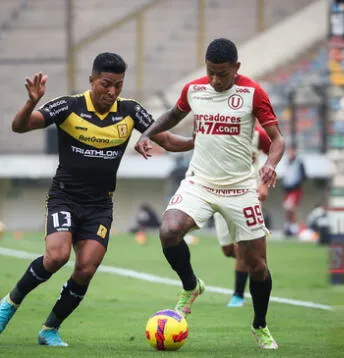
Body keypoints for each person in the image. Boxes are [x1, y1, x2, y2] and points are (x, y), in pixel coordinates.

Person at [0, 53, 193, 346]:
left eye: (118, 85)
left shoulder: (130, 111)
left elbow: (166, 140)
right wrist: (31, 102)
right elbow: (19, 127)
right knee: (57, 256)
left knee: (86, 267)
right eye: (105, 84)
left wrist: (198, 140)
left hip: (100, 205)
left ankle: (50, 328)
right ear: (92, 80)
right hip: (65, 197)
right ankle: (8, 305)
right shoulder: (69, 106)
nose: (112, 92)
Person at [134, 38, 285, 349]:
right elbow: (173, 116)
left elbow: (277, 140)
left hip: (241, 187)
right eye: (211, 72)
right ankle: (191, 286)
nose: (215, 80)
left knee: (256, 264)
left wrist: (270, 165)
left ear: (236, 69)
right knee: (169, 230)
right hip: (199, 182)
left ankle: (259, 325)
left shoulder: (252, 93)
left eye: (222, 74)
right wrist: (147, 134)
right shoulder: (194, 89)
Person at [217, 124, 271, 308]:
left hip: (247, 195)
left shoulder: (258, 134)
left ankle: (238, 295)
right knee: (228, 250)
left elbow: (273, 155)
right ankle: (255, 257)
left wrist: (263, 182)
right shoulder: (218, 127)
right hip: (219, 193)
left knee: (241, 247)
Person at [282, 147, 307, 237]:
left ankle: (295, 227)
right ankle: (289, 226)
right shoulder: (287, 162)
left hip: (295, 189)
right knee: (287, 208)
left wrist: (296, 184)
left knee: (290, 207)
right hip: (288, 190)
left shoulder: (299, 163)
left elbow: (303, 176)